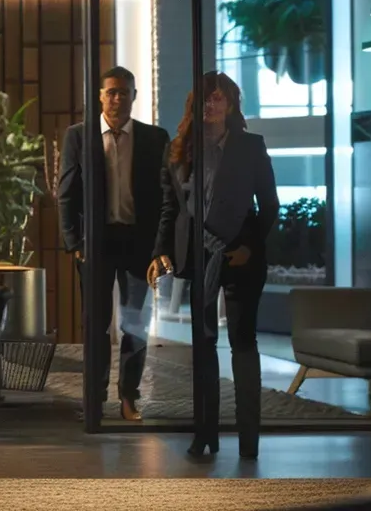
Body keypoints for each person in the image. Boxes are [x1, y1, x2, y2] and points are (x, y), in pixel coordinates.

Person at [151, 72, 276, 460]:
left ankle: (249, 441)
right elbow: (170, 209)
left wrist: (249, 249)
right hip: (197, 258)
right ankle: (204, 435)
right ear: (195, 105)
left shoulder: (251, 146)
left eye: (218, 98)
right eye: (204, 100)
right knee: (203, 348)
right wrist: (160, 251)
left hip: (241, 257)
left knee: (242, 344)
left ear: (231, 103)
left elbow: (269, 206)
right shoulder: (179, 150)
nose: (211, 105)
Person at [57, 67, 173, 422]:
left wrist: (160, 247)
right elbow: (66, 192)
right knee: (95, 324)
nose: (117, 98)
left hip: (139, 244)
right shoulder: (80, 136)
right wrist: (74, 242)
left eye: (124, 92)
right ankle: (94, 398)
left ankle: (128, 398)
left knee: (135, 323)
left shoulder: (155, 138)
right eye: (111, 92)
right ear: (100, 97)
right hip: (96, 243)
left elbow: (166, 196)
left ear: (135, 96)